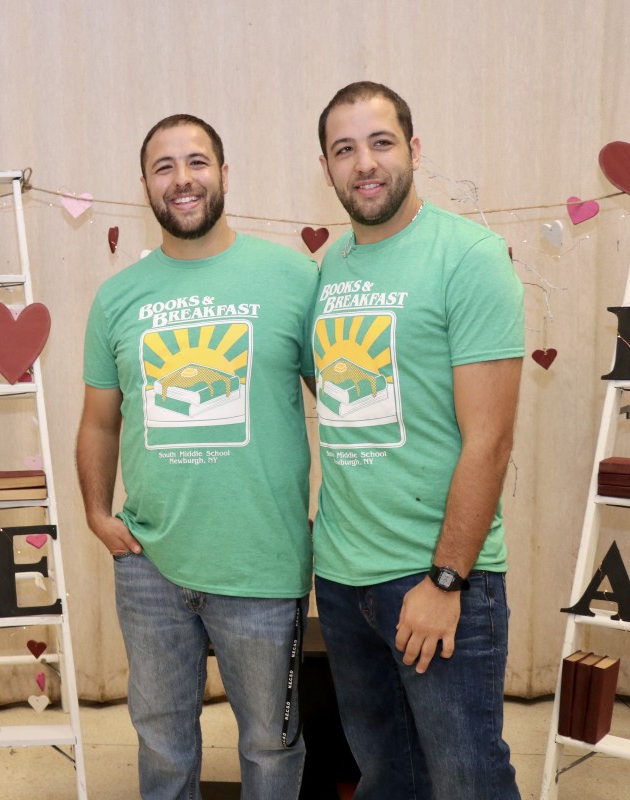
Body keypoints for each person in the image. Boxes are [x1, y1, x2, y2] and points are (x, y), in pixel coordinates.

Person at [76, 114, 317, 799]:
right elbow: (98, 421)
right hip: (149, 567)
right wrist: (97, 513)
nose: (182, 179)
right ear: (146, 186)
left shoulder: (293, 278)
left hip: (264, 566)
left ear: (224, 173)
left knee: (271, 743)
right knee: (160, 739)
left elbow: (345, 405)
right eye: (164, 166)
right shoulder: (117, 297)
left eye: (197, 162)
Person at [309, 81, 524, 798]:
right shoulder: (330, 267)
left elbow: (489, 440)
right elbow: (333, 389)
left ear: (414, 150)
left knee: (468, 781)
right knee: (385, 778)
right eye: (345, 150)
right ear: (327, 167)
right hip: (342, 579)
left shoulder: (470, 256)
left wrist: (445, 580)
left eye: (380, 143)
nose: (364, 164)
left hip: (433, 576)